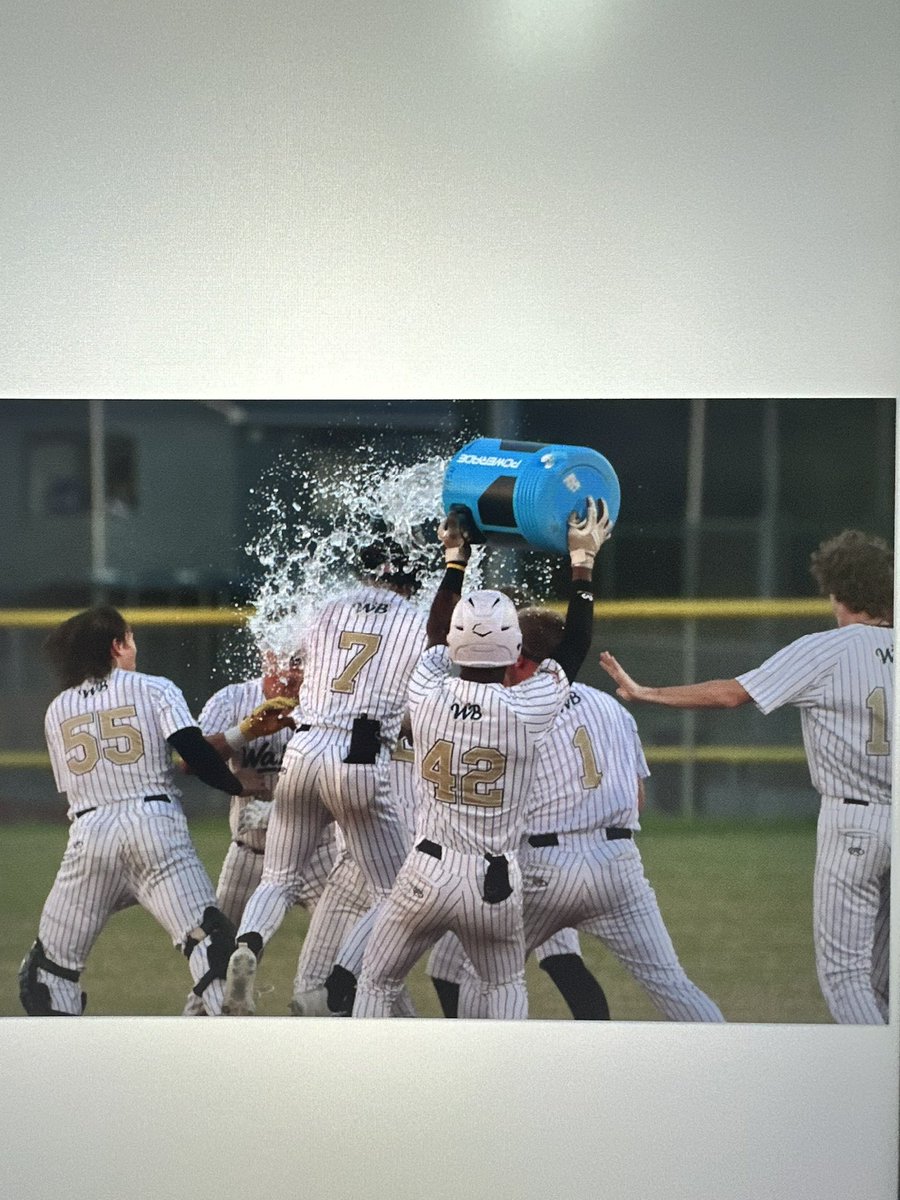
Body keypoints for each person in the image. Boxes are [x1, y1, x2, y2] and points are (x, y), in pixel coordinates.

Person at [599, 528, 892, 1025]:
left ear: (836, 592)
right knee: (886, 981)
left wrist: (648, 693)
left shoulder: (826, 649)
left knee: (846, 976)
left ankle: (869, 1079)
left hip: (854, 826)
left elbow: (730, 695)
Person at [352, 498, 610, 1019]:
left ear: (454, 644)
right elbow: (573, 647)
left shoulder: (425, 690)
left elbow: (435, 635)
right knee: (502, 987)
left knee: (377, 984)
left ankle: (368, 1087)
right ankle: (502, 1088)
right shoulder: (525, 708)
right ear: (516, 652)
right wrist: (582, 566)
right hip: (494, 878)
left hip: (426, 867)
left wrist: (455, 561)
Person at [18, 605, 295, 1017]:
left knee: (48, 972)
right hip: (154, 831)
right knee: (210, 945)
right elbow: (195, 753)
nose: (134, 647)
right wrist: (237, 784)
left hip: (90, 833)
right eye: (129, 639)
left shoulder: (57, 709)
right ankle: (237, 1047)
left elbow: (71, 789)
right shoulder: (153, 687)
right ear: (116, 645)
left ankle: (62, 1070)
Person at [455, 606, 724, 1021]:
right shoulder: (611, 708)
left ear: (521, 659)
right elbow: (637, 799)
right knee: (671, 983)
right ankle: (730, 1064)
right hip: (618, 863)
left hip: (544, 866)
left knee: (482, 977)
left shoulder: (513, 711)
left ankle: (478, 1075)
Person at [222, 536, 429, 1015]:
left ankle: (248, 945)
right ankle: (344, 974)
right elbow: (414, 705)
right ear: (411, 579)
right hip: (357, 753)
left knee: (276, 878)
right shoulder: (415, 621)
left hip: (305, 747)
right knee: (397, 891)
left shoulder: (326, 608)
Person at [181, 652, 342, 1015]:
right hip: (250, 854)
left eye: (300, 661)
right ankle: (190, 1045)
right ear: (263, 656)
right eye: (283, 659)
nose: (291, 671)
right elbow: (192, 761)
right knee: (216, 968)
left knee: (344, 967)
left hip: (319, 852)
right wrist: (246, 736)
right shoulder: (234, 698)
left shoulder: (328, 697)